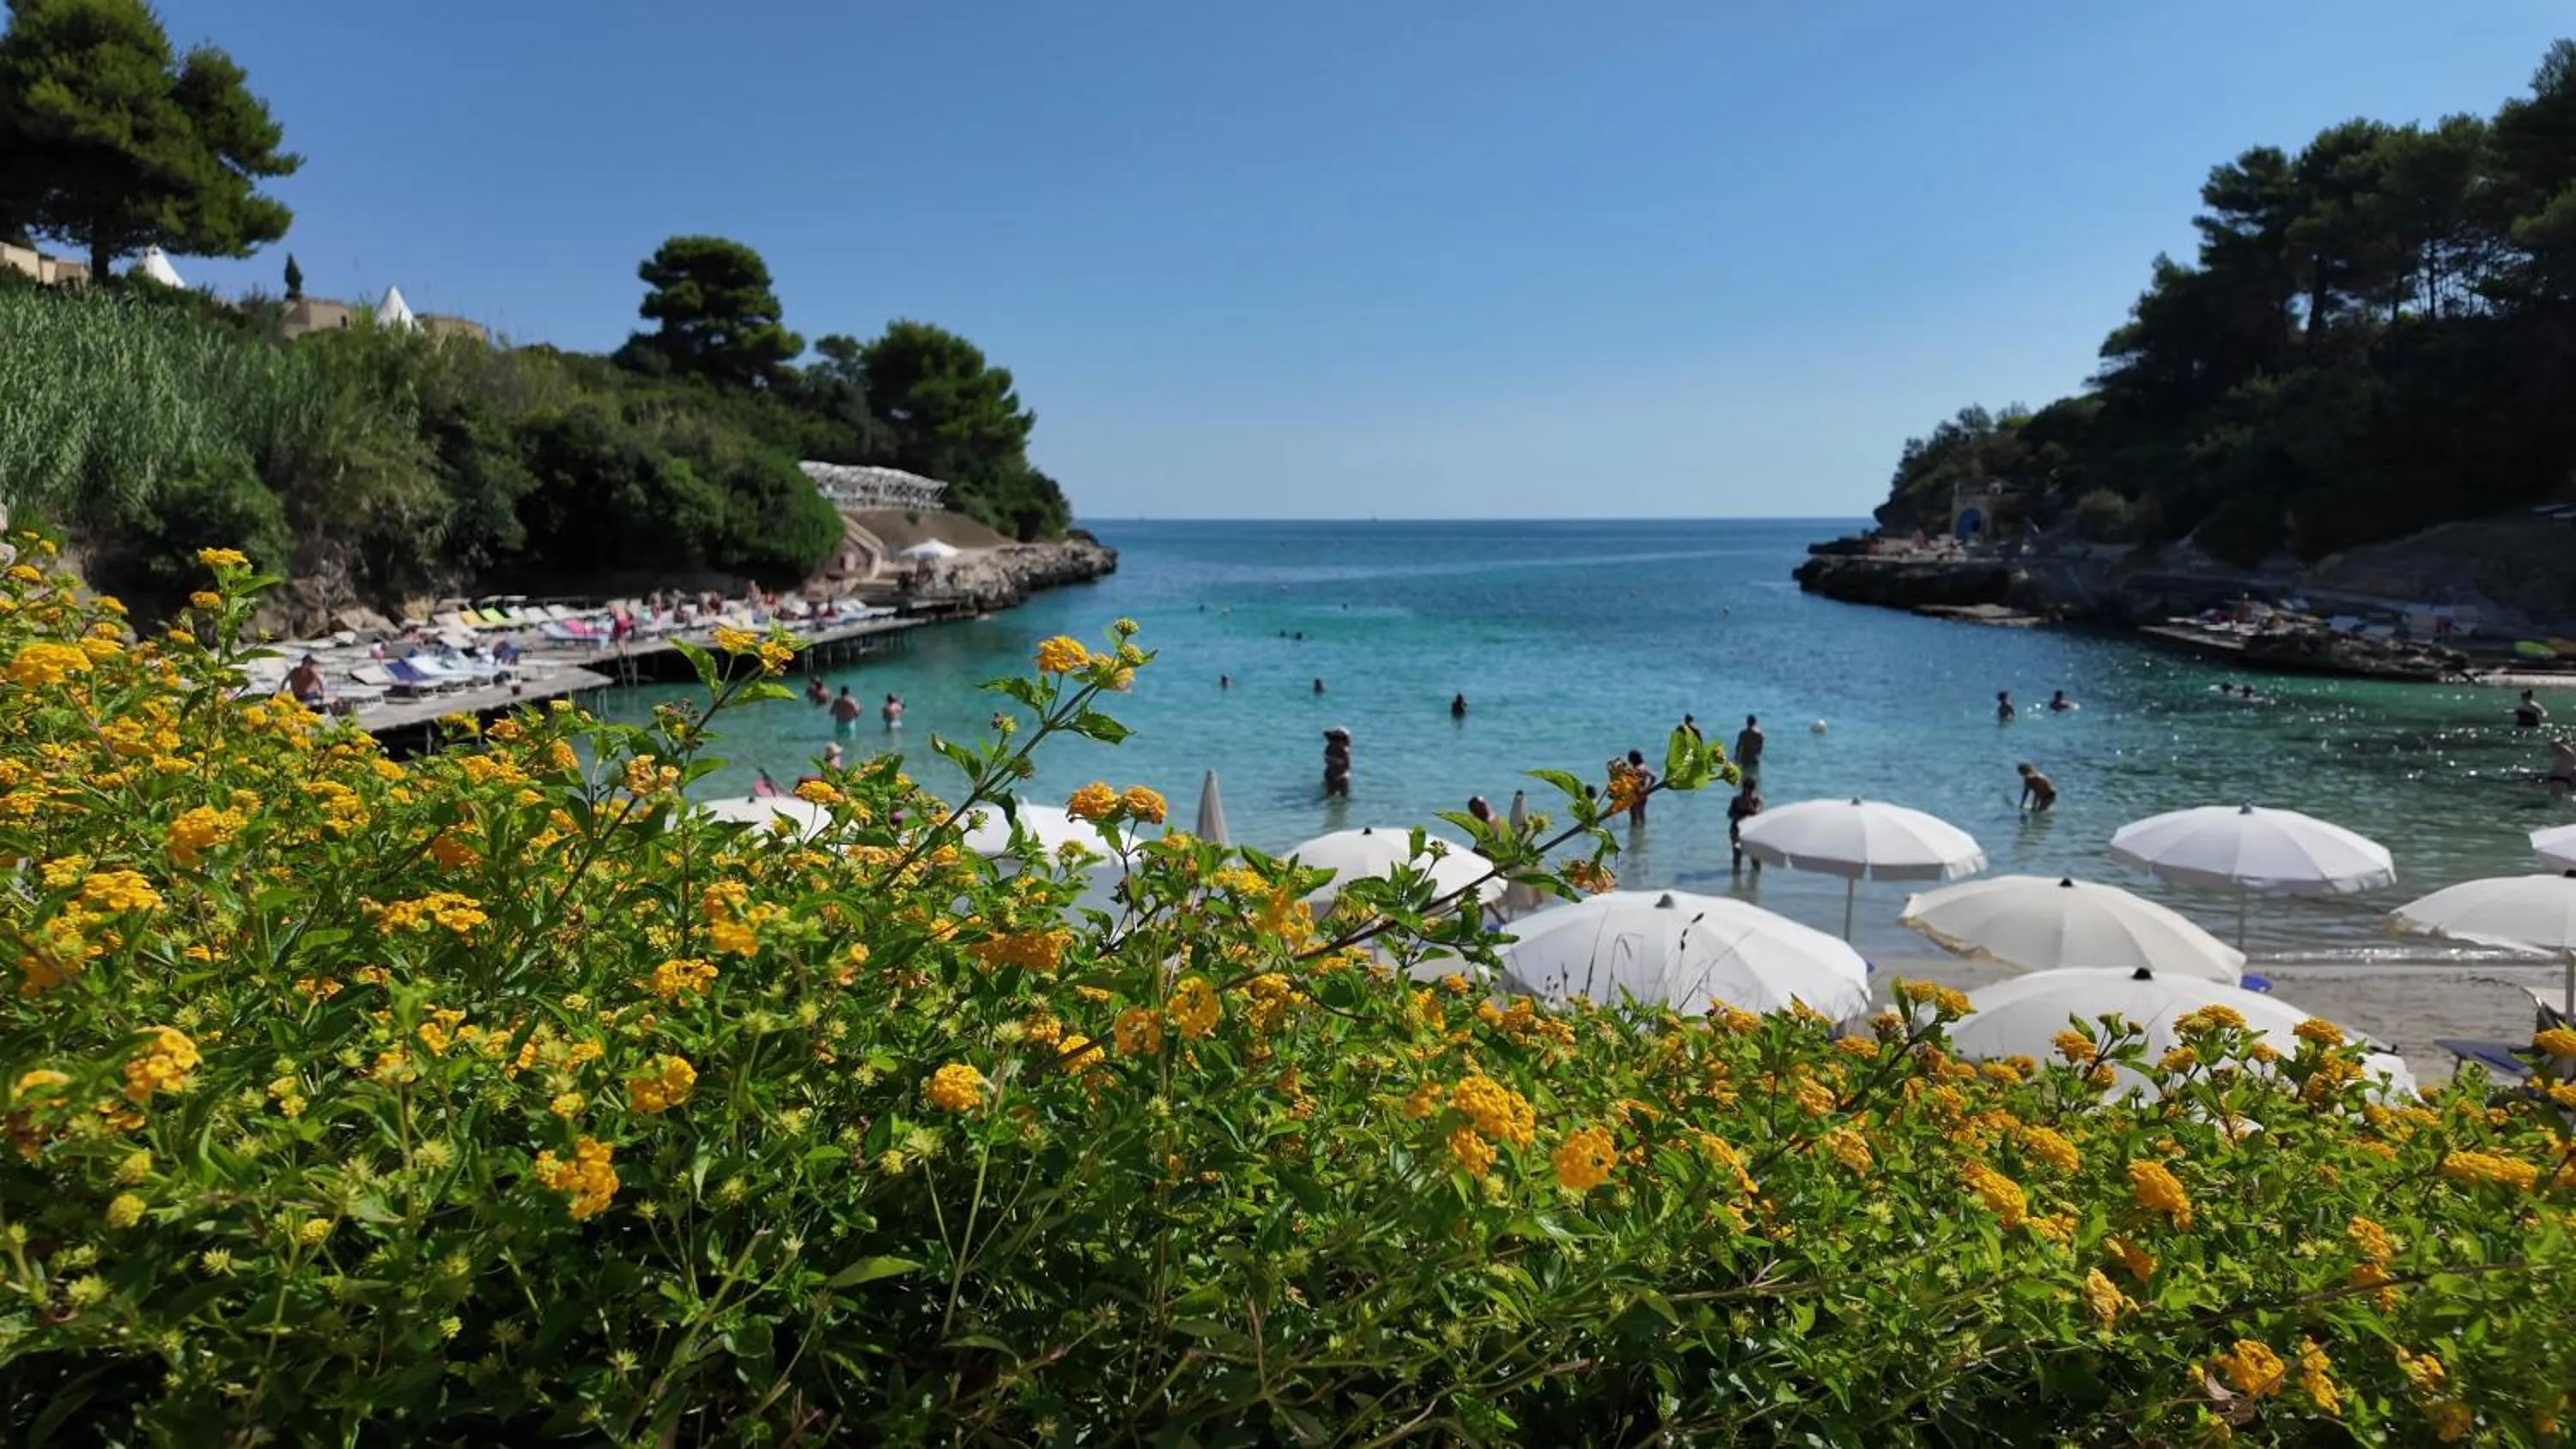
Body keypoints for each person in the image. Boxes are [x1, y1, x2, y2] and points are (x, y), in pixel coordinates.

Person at [1728, 780, 1764, 874]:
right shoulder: (1736, 799)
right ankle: (1736, 879)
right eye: (1745, 789)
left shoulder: (1757, 800)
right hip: (1737, 829)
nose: (1746, 792)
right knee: (1737, 855)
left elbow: (1758, 814)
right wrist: (1740, 817)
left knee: (1755, 856)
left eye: (1749, 790)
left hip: (1752, 831)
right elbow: (1730, 814)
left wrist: (1749, 805)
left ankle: (1756, 879)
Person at [1622, 749, 1655, 826]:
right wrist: (1647, 788)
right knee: (1641, 814)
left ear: (1633, 759)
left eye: (1629, 758)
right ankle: (1642, 831)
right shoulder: (1644, 767)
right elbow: (1653, 777)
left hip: (1635, 794)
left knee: (1633, 817)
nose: (1628, 760)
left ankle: (1635, 834)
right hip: (1644, 794)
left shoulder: (1636, 769)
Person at [1734, 715, 1765, 780]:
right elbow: (1760, 749)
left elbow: (1738, 747)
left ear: (1747, 722)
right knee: (1755, 777)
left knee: (1743, 777)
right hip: (1754, 758)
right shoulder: (1759, 734)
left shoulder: (1743, 733)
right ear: (1755, 722)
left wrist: (1736, 758)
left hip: (1744, 758)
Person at [2547, 735, 2576, 799]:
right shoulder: (2569, 756)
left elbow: (2553, 743)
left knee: (2554, 799)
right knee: (2556, 798)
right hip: (2560, 780)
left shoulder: (2568, 752)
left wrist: (2561, 737)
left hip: (2559, 779)